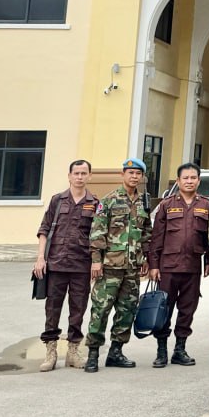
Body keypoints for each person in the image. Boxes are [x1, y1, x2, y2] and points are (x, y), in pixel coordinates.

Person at [83, 158, 151, 373]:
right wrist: (96, 261)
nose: (134, 176)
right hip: (109, 266)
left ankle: (116, 352)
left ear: (142, 177)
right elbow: (97, 232)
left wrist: (147, 258)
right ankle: (93, 354)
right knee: (101, 309)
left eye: (138, 173)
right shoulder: (109, 200)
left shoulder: (144, 202)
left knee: (127, 310)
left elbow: (146, 233)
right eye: (130, 173)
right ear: (123, 175)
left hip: (132, 267)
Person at [33, 159, 98, 372]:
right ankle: (51, 352)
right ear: (69, 176)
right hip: (56, 264)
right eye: (76, 173)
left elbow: (98, 236)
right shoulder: (57, 200)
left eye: (84, 173)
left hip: (81, 266)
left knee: (78, 309)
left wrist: (96, 262)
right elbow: (44, 230)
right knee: (52, 309)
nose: (79, 177)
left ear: (89, 176)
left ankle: (73, 351)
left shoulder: (95, 203)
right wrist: (40, 258)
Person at [146, 163, 209, 368]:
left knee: (187, 310)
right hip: (168, 267)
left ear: (198, 181)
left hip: (192, 267)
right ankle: (161, 351)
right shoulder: (166, 205)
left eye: (193, 178)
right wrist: (153, 265)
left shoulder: (206, 205)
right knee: (164, 309)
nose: (189, 181)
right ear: (178, 181)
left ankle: (180, 350)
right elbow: (156, 237)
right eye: (186, 178)